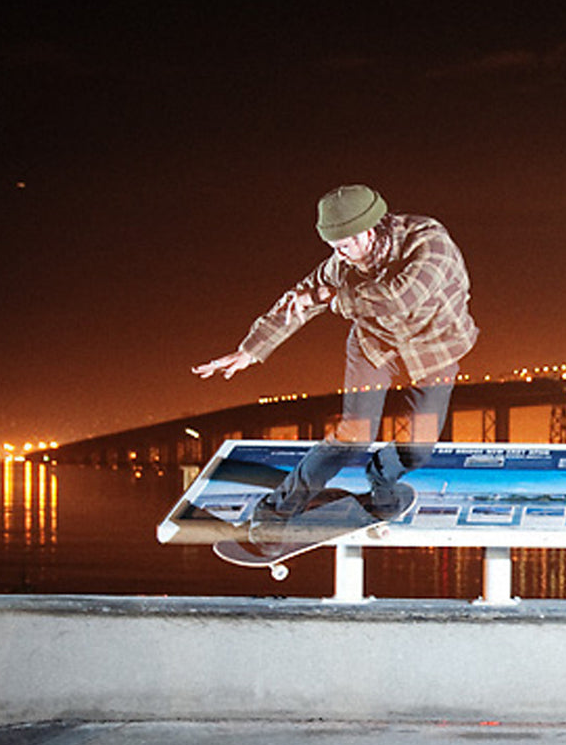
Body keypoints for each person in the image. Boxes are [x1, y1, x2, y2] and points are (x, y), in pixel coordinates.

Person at [193, 184, 479, 548]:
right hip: (374, 347)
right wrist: (250, 349)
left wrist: (331, 297)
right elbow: (299, 300)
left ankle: (382, 476)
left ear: (370, 231)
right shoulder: (341, 263)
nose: (340, 254)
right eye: (333, 247)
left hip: (434, 348)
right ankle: (274, 513)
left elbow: (400, 299)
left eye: (345, 245)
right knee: (353, 435)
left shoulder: (430, 243)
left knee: (419, 447)